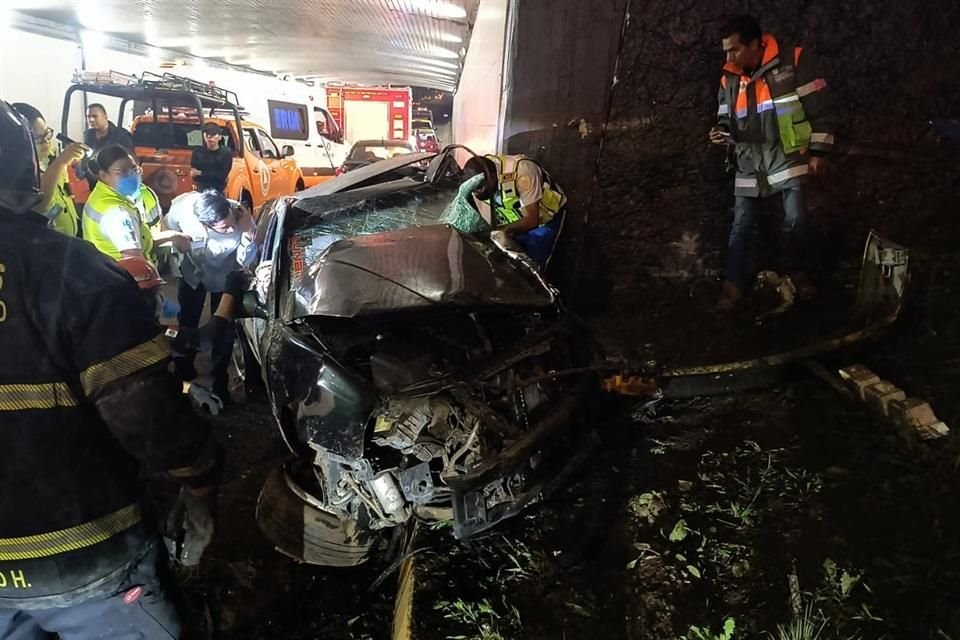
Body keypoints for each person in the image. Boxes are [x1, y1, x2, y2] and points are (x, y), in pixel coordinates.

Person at [0, 98, 219, 639]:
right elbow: (147, 415)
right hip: (82, 551)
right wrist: (199, 478)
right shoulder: (70, 271)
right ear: (26, 169)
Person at [710, 15, 836, 311]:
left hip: (788, 156)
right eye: (726, 51)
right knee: (741, 224)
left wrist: (819, 152)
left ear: (755, 44)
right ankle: (732, 286)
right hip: (748, 161)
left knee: (795, 221)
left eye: (734, 49)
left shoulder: (794, 61)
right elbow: (725, 117)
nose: (729, 58)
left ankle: (797, 274)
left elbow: (820, 108)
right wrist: (720, 132)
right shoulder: (729, 78)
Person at [165, 189, 258, 402]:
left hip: (225, 277)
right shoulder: (185, 209)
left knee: (223, 330)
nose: (231, 228)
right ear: (206, 224)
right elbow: (168, 224)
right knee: (187, 321)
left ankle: (219, 382)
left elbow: (245, 261)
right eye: (225, 228)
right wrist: (176, 246)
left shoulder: (241, 216)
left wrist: (247, 234)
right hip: (192, 276)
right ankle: (183, 369)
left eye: (231, 222)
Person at [83, 145, 191, 262]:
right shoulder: (117, 213)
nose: (132, 175)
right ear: (103, 175)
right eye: (123, 172)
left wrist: (171, 237)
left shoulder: (142, 194)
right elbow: (135, 264)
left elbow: (152, 234)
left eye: (135, 169)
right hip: (117, 272)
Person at [462, 154, 566, 267]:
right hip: (516, 219)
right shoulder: (480, 172)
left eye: (481, 187)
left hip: (545, 218)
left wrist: (504, 231)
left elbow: (532, 220)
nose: (477, 191)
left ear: (492, 176)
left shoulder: (522, 172)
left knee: (534, 260)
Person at [11, 102, 87, 236]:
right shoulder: (15, 173)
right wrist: (60, 162)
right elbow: (38, 207)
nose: (46, 142)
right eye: (37, 139)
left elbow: (63, 184)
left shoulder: (51, 153)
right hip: (49, 242)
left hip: (69, 234)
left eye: (47, 134)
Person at [190, 122, 233, 193]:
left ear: (220, 137)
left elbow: (222, 176)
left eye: (213, 134)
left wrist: (200, 173)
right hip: (200, 190)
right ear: (204, 136)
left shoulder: (226, 153)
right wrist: (211, 174)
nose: (210, 137)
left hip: (218, 190)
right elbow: (194, 174)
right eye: (207, 134)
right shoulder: (197, 152)